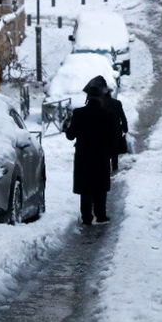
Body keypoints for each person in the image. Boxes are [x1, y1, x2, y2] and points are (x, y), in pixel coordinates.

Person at [64, 85, 118, 225]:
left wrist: (66, 127)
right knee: (100, 185)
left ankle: (86, 216)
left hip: (84, 156)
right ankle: (101, 215)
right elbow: (114, 136)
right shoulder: (108, 114)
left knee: (85, 186)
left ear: (88, 97)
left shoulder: (79, 113)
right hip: (101, 155)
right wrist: (109, 151)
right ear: (100, 97)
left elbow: (70, 135)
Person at [84, 75, 129, 172]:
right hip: (115, 132)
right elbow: (123, 118)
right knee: (114, 154)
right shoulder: (117, 103)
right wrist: (125, 128)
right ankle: (115, 169)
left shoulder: (98, 105)